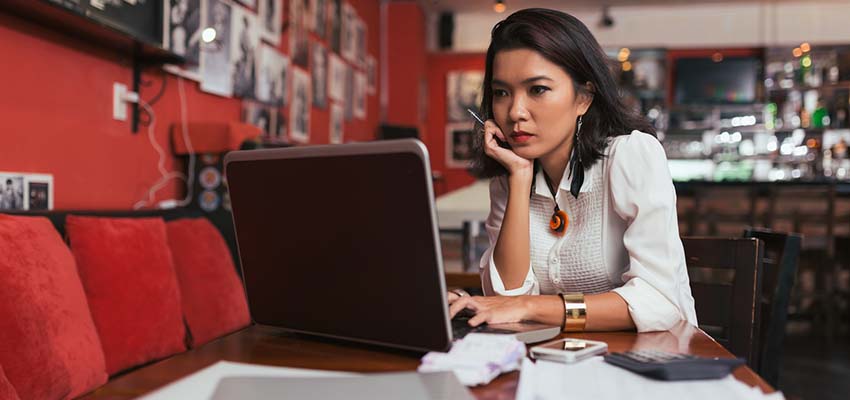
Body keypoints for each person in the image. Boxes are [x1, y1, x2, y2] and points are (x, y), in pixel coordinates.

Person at [447, 9, 697, 333]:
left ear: (583, 98)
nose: (515, 112)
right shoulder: (509, 179)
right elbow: (507, 298)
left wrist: (532, 307)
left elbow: (661, 303)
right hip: (562, 360)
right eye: (501, 93)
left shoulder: (630, 155)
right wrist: (520, 179)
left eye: (537, 89)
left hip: (653, 362)